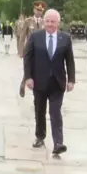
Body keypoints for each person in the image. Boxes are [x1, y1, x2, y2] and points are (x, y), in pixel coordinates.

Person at [23, 9, 75, 155]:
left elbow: (69, 61)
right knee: (40, 111)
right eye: (47, 21)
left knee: (55, 112)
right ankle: (40, 136)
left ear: (58, 22)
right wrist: (28, 77)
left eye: (53, 21)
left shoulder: (65, 38)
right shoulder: (35, 37)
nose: (50, 24)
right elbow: (28, 58)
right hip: (39, 81)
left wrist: (71, 80)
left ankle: (58, 143)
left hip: (57, 82)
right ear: (44, 22)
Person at [18, 1, 46, 97]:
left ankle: (35, 89)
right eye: (37, 10)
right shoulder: (28, 21)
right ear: (34, 10)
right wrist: (21, 51)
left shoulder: (44, 22)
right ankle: (23, 84)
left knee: (37, 70)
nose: (39, 12)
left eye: (41, 11)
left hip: (41, 50)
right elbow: (22, 36)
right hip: (30, 50)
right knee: (29, 68)